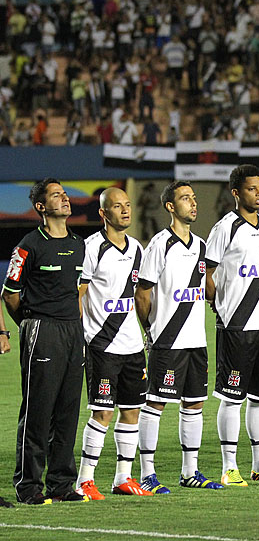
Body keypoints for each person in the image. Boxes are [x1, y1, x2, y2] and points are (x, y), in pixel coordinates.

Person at [205, 165, 259, 486]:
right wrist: (221, 308)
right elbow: (208, 274)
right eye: (252, 189)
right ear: (236, 193)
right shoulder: (225, 228)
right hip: (236, 327)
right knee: (231, 397)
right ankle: (229, 467)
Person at [3, 178, 87, 504]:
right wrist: (29, 324)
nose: (65, 199)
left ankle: (62, 484)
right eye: (56, 196)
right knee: (38, 411)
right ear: (41, 207)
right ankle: (28, 486)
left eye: (65, 194)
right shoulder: (28, 245)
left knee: (68, 411)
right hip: (42, 330)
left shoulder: (80, 244)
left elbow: (79, 289)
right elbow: (9, 295)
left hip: (72, 331)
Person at [135, 181, 223, 494]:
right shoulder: (160, 244)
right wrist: (152, 329)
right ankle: (147, 473)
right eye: (185, 198)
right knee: (156, 404)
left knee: (195, 403)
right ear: (170, 207)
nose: (193, 203)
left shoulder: (201, 246)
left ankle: (190, 472)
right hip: (167, 341)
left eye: (194, 198)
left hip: (196, 341)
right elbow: (142, 294)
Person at [76, 188, 152, 500]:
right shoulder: (91, 248)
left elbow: (140, 294)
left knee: (133, 410)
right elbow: (78, 294)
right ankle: (84, 480)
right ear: (103, 213)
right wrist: (81, 335)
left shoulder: (137, 248)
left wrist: (147, 329)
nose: (125, 211)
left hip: (132, 345)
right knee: (102, 413)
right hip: (102, 344)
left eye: (127, 205)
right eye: (117, 207)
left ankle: (123, 477)